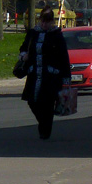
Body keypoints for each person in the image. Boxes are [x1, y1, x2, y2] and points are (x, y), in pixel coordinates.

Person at [18, 8, 72, 140]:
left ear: (52, 21)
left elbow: (64, 57)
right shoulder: (33, 33)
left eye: (47, 22)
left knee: (48, 104)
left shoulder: (56, 35)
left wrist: (66, 78)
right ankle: (43, 123)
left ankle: (45, 131)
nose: (44, 25)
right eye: (42, 21)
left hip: (51, 77)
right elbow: (23, 47)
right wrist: (24, 56)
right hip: (34, 74)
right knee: (32, 102)